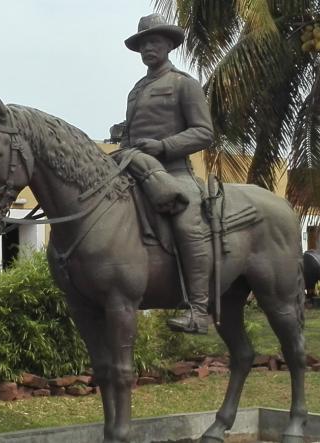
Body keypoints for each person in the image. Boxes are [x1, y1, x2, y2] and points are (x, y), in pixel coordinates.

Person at [119, 13, 214, 333]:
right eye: (143, 43)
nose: (148, 48)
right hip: (135, 169)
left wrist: (163, 146)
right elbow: (131, 135)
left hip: (174, 172)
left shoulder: (183, 84)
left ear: (169, 45)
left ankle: (199, 310)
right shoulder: (136, 90)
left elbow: (203, 132)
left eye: (154, 41)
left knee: (187, 221)